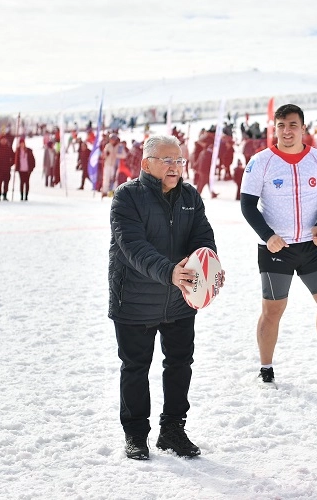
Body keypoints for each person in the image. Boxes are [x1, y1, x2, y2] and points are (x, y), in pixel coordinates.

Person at [109, 134, 220, 460]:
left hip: (180, 301)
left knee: (180, 364)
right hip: (134, 301)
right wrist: (170, 271)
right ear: (147, 163)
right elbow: (134, 248)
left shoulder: (190, 196)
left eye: (179, 160)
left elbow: (203, 238)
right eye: (167, 160)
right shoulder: (126, 198)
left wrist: (211, 267)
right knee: (135, 367)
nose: (176, 166)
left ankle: (172, 430)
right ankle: (135, 435)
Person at [240, 103, 317, 386]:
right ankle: (265, 369)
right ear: (275, 128)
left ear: (303, 128)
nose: (286, 131)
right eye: (281, 126)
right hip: (275, 248)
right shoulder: (261, 161)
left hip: (312, 246)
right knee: (273, 311)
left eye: (292, 125)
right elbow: (247, 205)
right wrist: (268, 236)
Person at [0, 135, 14, 201]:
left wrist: (11, 163)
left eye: (5, 139)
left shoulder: (9, 148)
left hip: (7, 168)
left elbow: (13, 157)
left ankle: (5, 195)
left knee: (6, 183)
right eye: (2, 139)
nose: (4, 141)